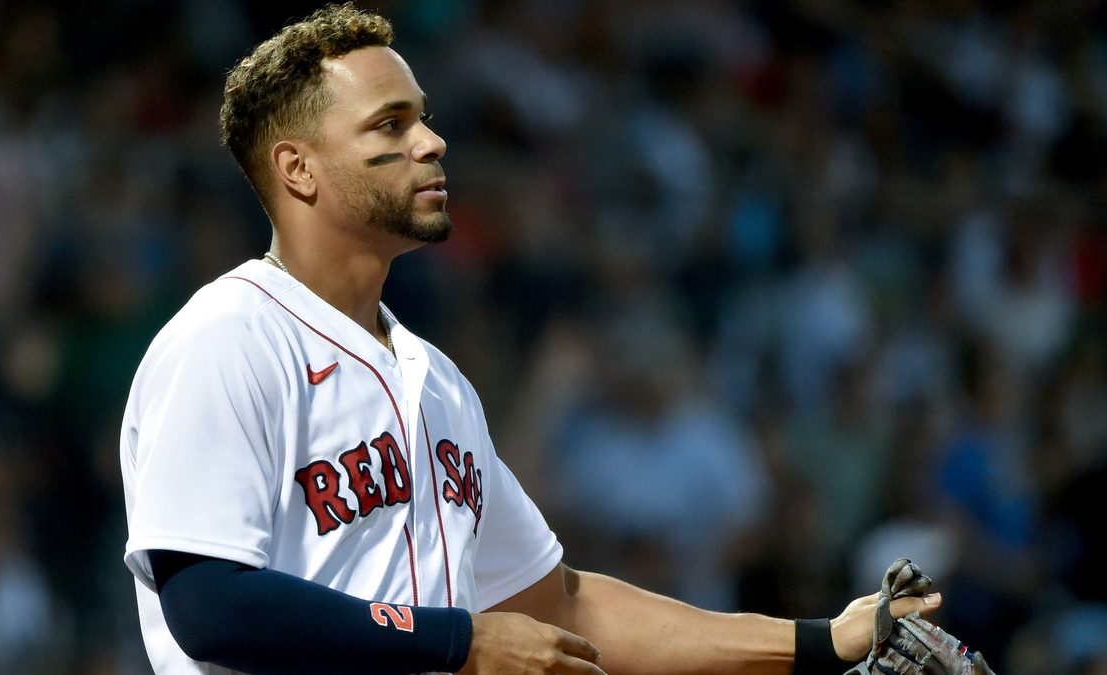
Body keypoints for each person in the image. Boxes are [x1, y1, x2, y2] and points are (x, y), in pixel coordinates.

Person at [119, 5, 942, 675]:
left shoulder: (436, 381)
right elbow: (210, 603)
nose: (431, 142)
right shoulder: (229, 338)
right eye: (389, 125)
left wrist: (814, 639)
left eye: (425, 119)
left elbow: (562, 602)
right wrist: (459, 638)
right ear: (298, 168)